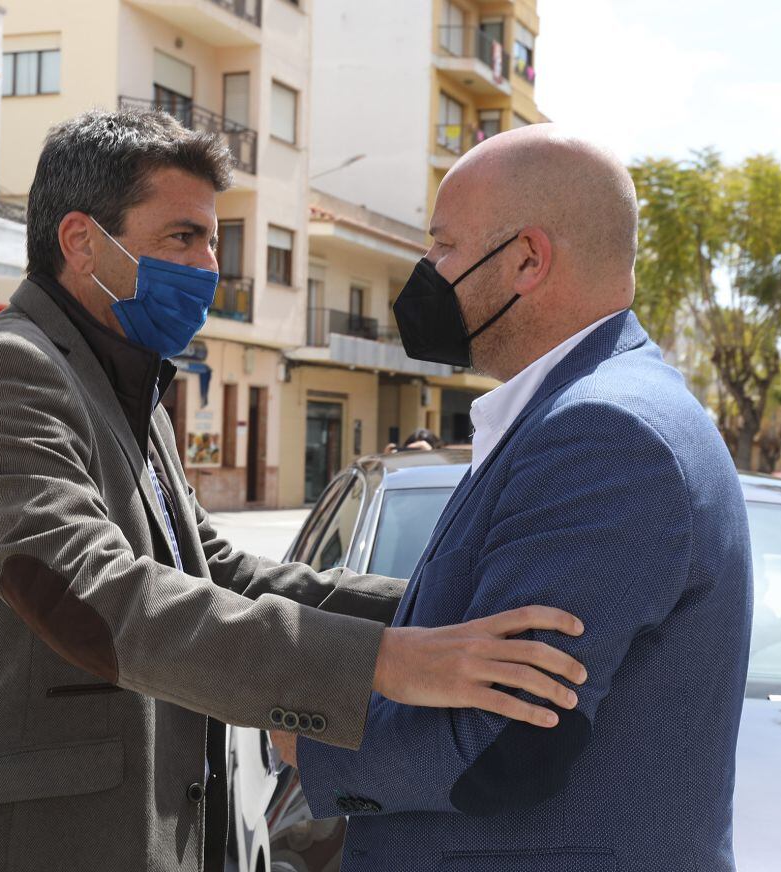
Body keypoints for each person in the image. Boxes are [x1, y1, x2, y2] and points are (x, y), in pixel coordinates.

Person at [0, 111, 587, 872]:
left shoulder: (124, 389)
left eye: (213, 240)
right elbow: (93, 598)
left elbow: (218, 573)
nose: (210, 265)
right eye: (183, 237)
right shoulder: (7, 374)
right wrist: (386, 661)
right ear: (81, 241)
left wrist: (439, 606)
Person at [279, 126, 753, 871]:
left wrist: (307, 743)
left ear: (528, 259)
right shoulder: (579, 411)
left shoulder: (606, 431)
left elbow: (506, 742)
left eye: (443, 248)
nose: (425, 272)